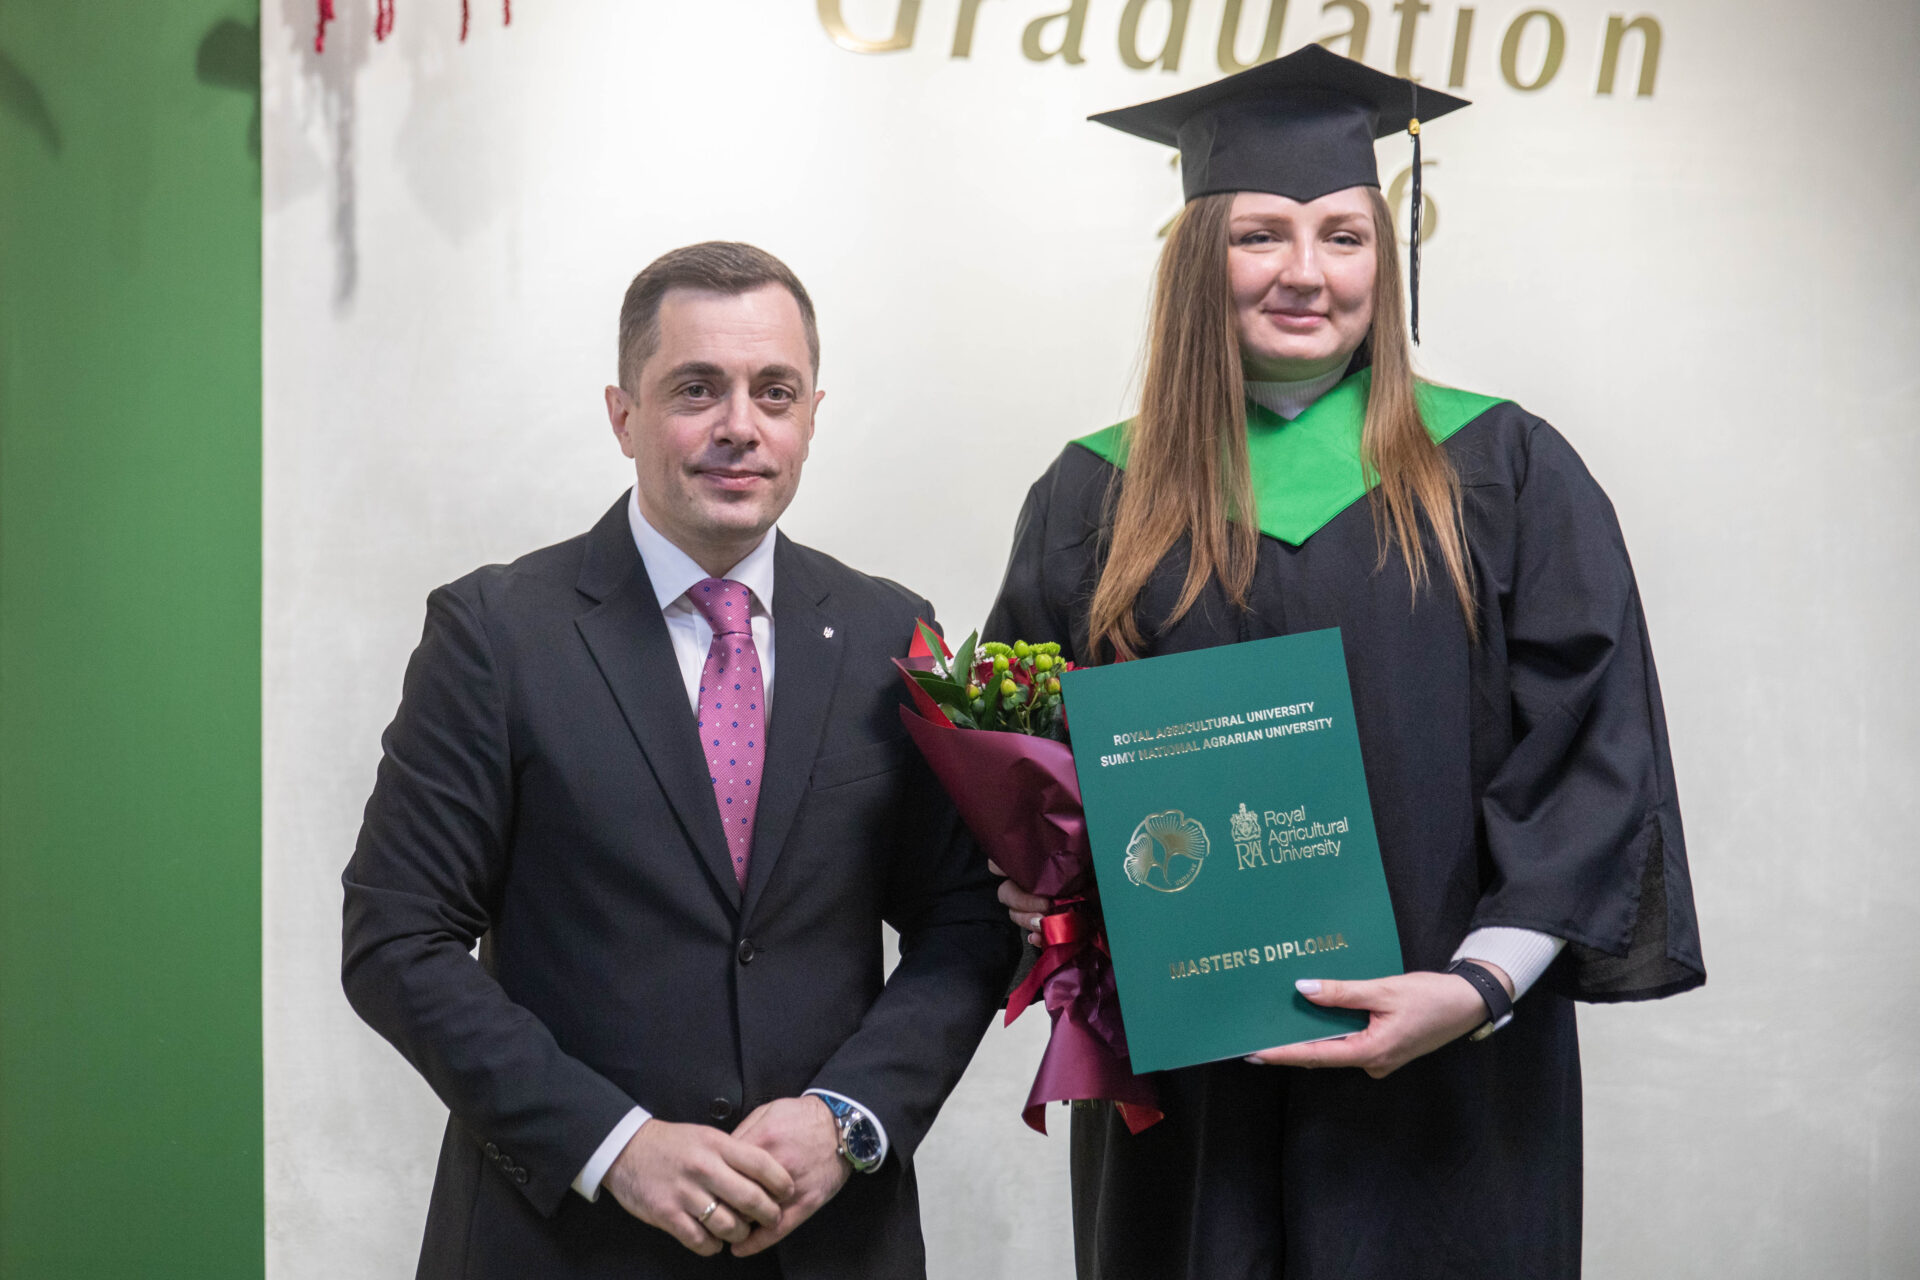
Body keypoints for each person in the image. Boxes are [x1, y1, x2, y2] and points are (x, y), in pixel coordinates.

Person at [984, 46, 1705, 1280]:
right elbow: (1027, 754)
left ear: (1386, 254)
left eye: (1344, 235)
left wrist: (1480, 984)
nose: (1306, 272)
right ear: (1195, 260)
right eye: (1260, 234)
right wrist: (1041, 882)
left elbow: (1595, 749)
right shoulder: (1094, 492)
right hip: (1191, 1084)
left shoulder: (1504, 471)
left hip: (1450, 1080)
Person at [342, 241, 1019, 1279]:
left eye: (774, 392)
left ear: (811, 416)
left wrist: (848, 1116)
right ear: (623, 415)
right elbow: (397, 937)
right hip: (563, 1245)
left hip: (827, 1243)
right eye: (696, 389)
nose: (739, 425)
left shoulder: (893, 633)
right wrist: (613, 1145)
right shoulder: (497, 634)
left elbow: (966, 919)